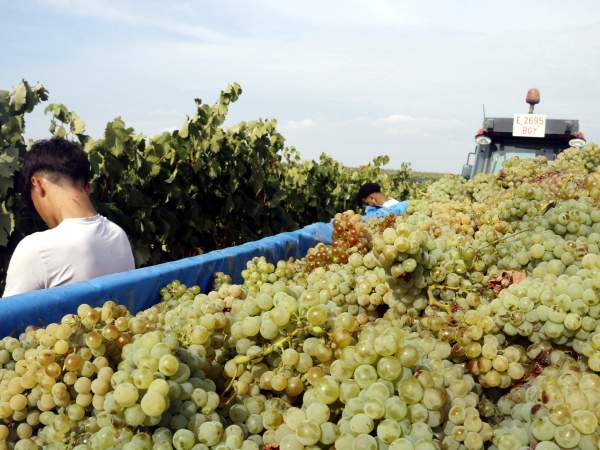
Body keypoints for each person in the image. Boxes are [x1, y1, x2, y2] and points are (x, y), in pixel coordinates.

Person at [2, 138, 135, 297]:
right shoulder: (118, 235)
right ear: (87, 187)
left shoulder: (36, 250)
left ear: (37, 185)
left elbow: (11, 318)